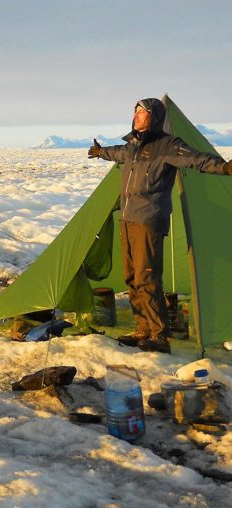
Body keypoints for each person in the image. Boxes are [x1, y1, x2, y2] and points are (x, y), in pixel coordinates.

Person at [88, 98, 232, 354]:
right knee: (131, 276)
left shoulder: (167, 145)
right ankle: (142, 329)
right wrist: (101, 153)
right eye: (135, 112)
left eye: (142, 113)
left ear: (154, 117)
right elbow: (117, 153)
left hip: (148, 220)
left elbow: (196, 159)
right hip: (128, 218)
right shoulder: (132, 147)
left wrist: (223, 167)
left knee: (147, 277)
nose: (137, 116)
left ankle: (159, 336)